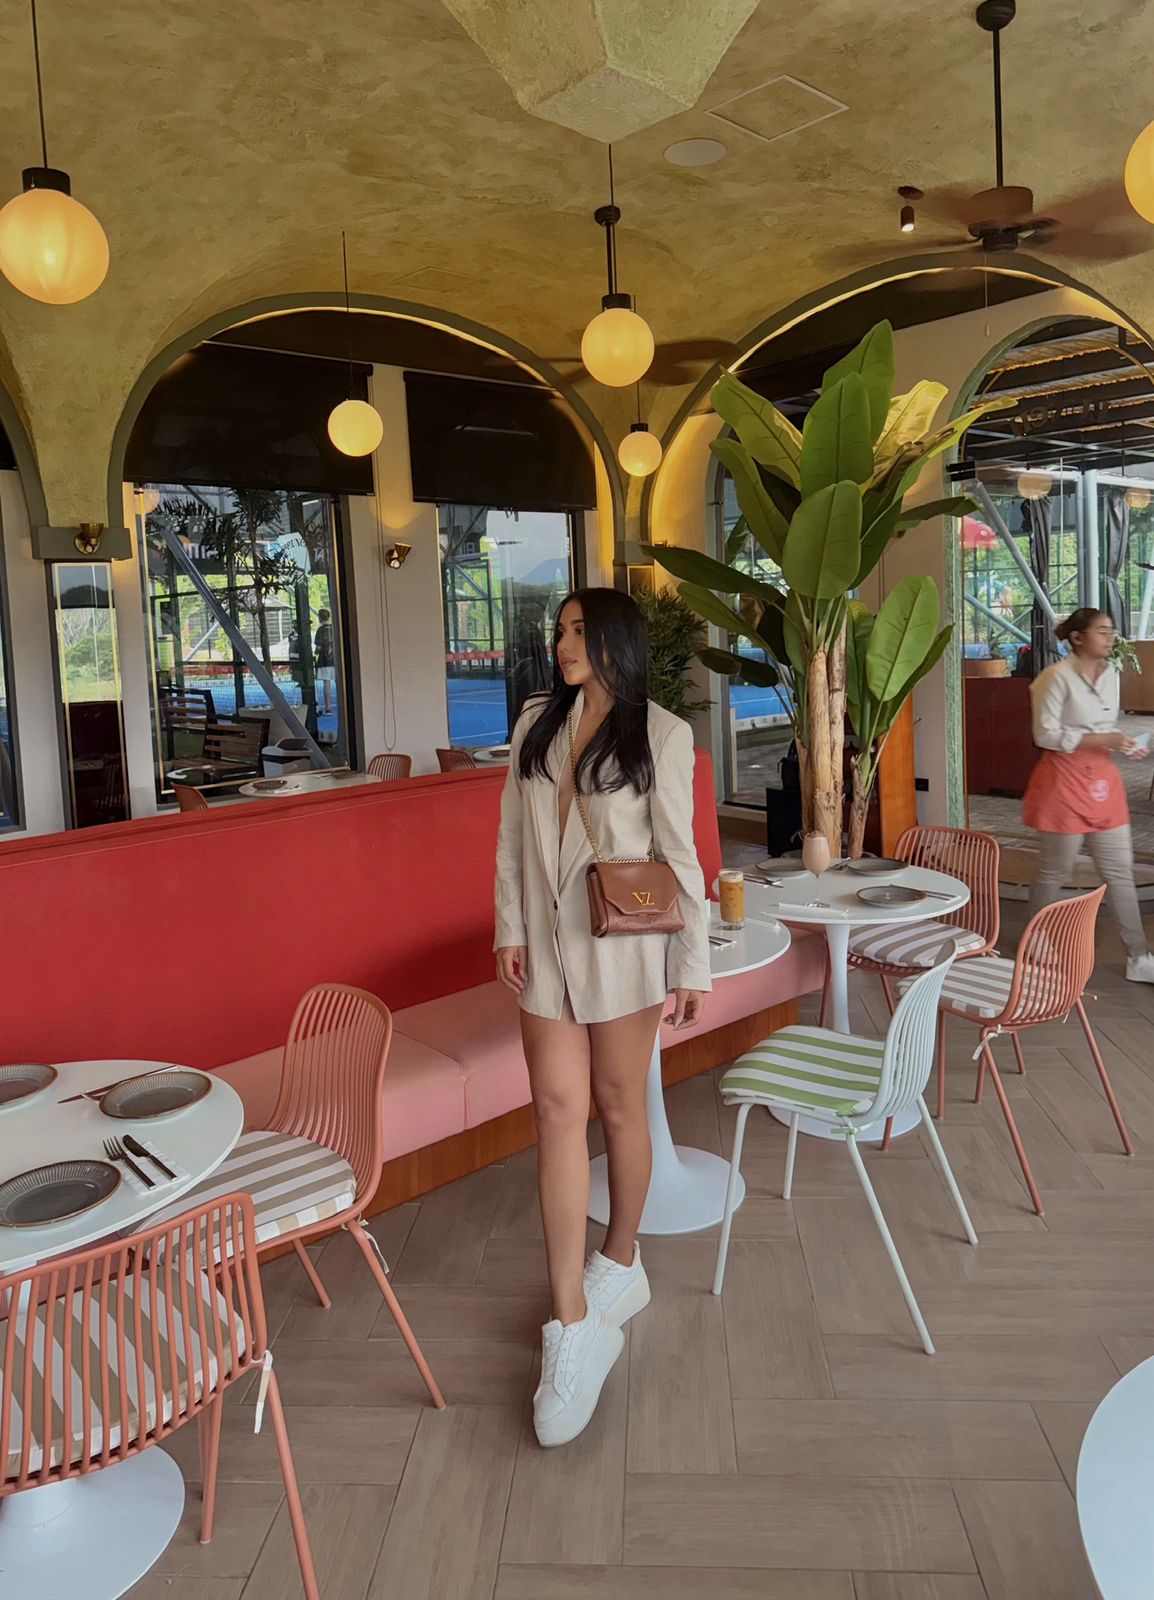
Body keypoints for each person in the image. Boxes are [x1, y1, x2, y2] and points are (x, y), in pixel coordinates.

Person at [493, 587, 711, 1448]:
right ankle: (571, 1320)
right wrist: (509, 929)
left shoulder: (661, 733)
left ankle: (621, 1258)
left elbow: (681, 857)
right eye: (559, 630)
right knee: (556, 1112)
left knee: (620, 1107)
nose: (563, 643)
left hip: (622, 951)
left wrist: (691, 964)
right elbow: (511, 841)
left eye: (579, 630)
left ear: (617, 638)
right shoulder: (536, 722)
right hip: (546, 953)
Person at [1022, 607, 1154, 982]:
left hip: (1103, 781)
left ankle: (1139, 957)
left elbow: (1105, 727)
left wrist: (1123, 742)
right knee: (1055, 869)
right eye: (1103, 632)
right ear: (1078, 638)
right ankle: (1036, 939)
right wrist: (1102, 738)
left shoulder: (1111, 674)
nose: (1111, 638)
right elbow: (1045, 734)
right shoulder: (1054, 678)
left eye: (1112, 631)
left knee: (1120, 872)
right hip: (1062, 782)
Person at [313, 608, 335, 714]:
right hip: (336, 661)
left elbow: (318, 648)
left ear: (319, 618)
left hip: (324, 662)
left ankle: (328, 708)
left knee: (327, 685)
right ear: (329, 617)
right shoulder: (335, 629)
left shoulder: (320, 630)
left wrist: (315, 652)